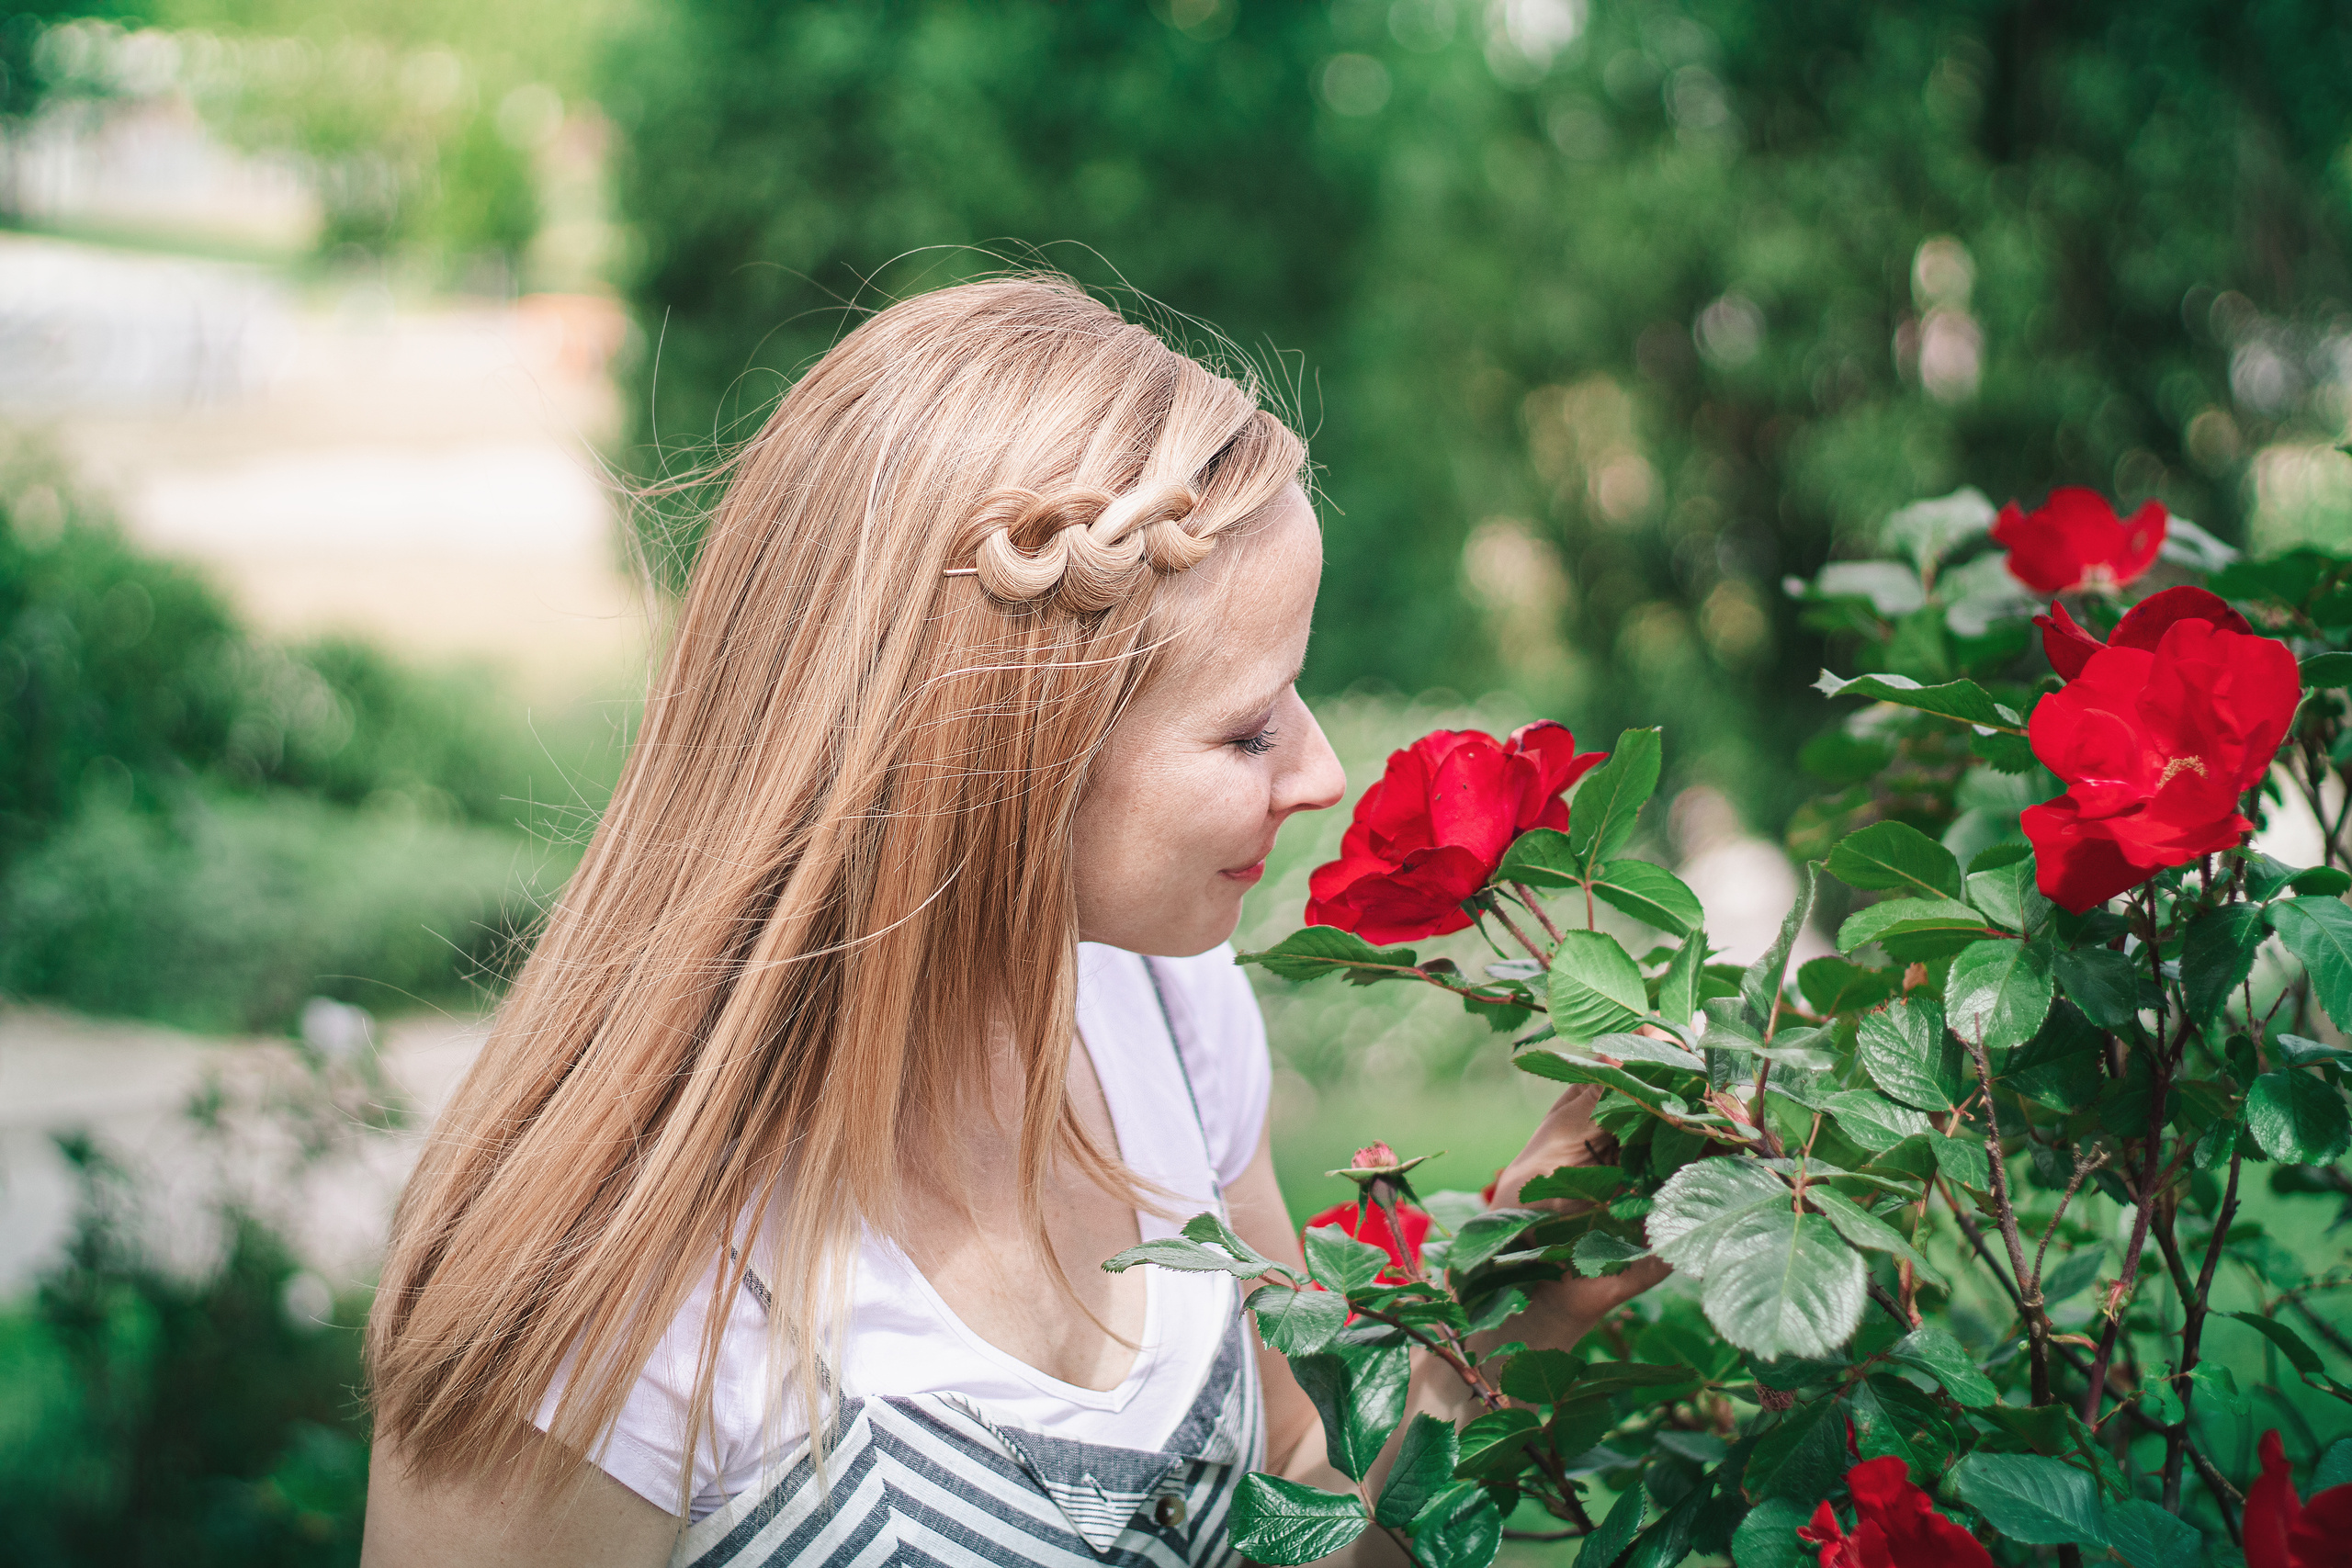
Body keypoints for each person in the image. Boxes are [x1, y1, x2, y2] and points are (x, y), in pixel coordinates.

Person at [360, 276, 1662, 1568]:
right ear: (1013, 758)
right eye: (1248, 729)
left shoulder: (1173, 1023)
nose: (1320, 773)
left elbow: (1298, 1508)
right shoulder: (612, 1289)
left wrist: (1512, 1326)